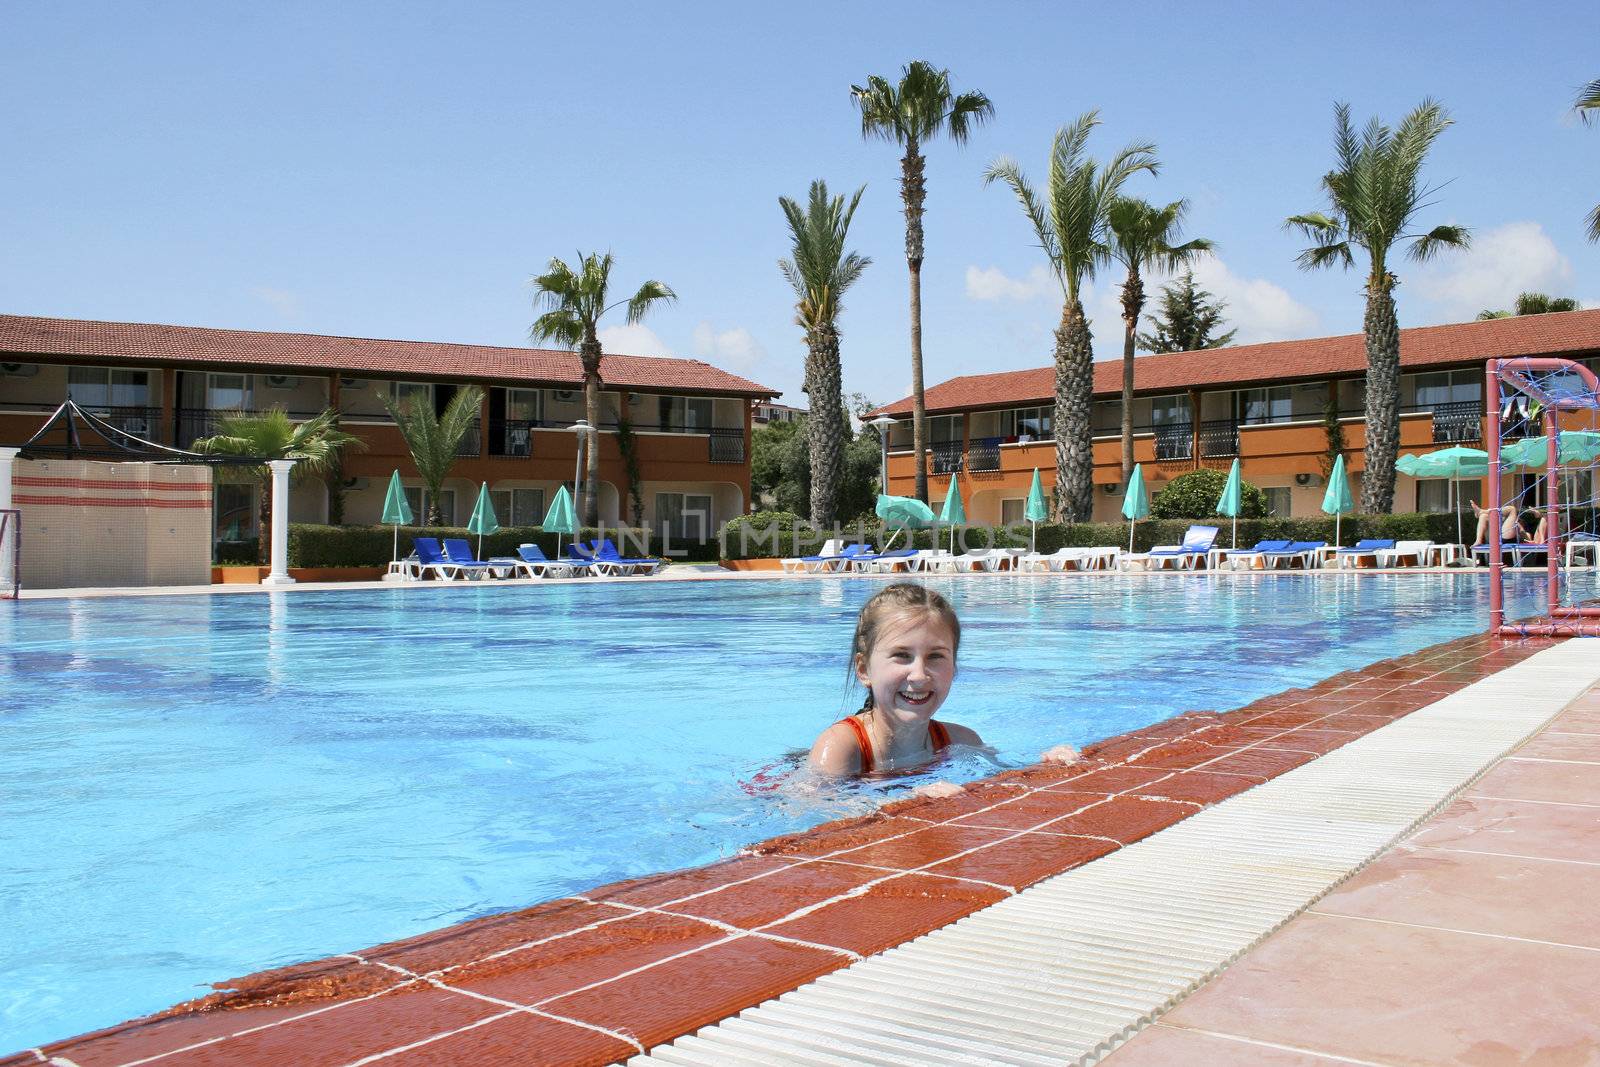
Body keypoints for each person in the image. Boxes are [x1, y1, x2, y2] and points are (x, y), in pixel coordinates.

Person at [808, 582, 1081, 778]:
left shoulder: (961, 740)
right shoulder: (842, 747)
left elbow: (1006, 779)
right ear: (864, 669)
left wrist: (1046, 765)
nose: (919, 674)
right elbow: (814, 811)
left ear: (954, 666)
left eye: (936, 657)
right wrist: (906, 804)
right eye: (902, 655)